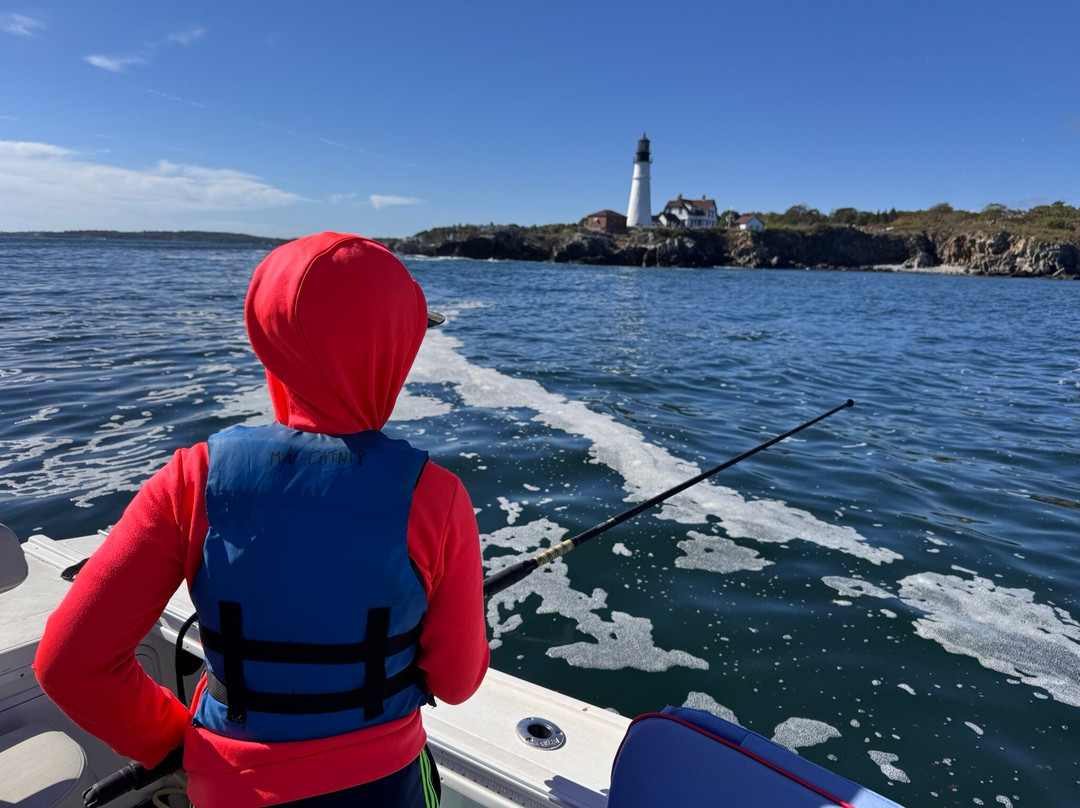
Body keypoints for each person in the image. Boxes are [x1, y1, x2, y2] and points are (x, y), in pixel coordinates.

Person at [36, 232, 490, 807]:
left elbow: (69, 664)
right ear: (392, 349)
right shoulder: (438, 497)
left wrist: (175, 742)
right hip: (385, 784)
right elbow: (455, 683)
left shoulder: (191, 478)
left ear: (267, 337)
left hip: (228, 782)